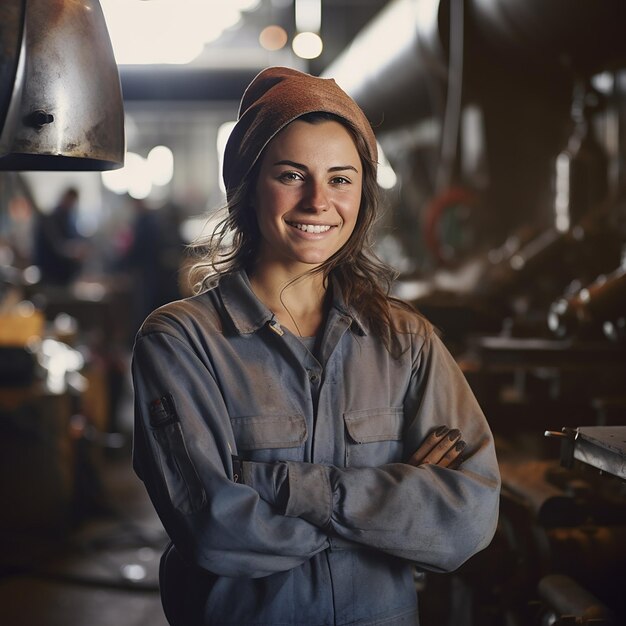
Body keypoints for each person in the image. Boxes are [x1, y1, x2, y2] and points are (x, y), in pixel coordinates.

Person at [131, 66, 500, 626]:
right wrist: (395, 504)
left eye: (341, 179)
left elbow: (466, 521)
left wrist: (269, 485)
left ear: (363, 193)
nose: (317, 201)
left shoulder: (405, 341)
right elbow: (214, 532)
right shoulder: (182, 342)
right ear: (248, 186)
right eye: (291, 174)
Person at [33, 186, 86, 285]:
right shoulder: (50, 219)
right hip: (51, 274)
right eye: (70, 199)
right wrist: (73, 251)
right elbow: (57, 246)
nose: (71, 203)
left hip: (63, 276)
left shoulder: (69, 219)